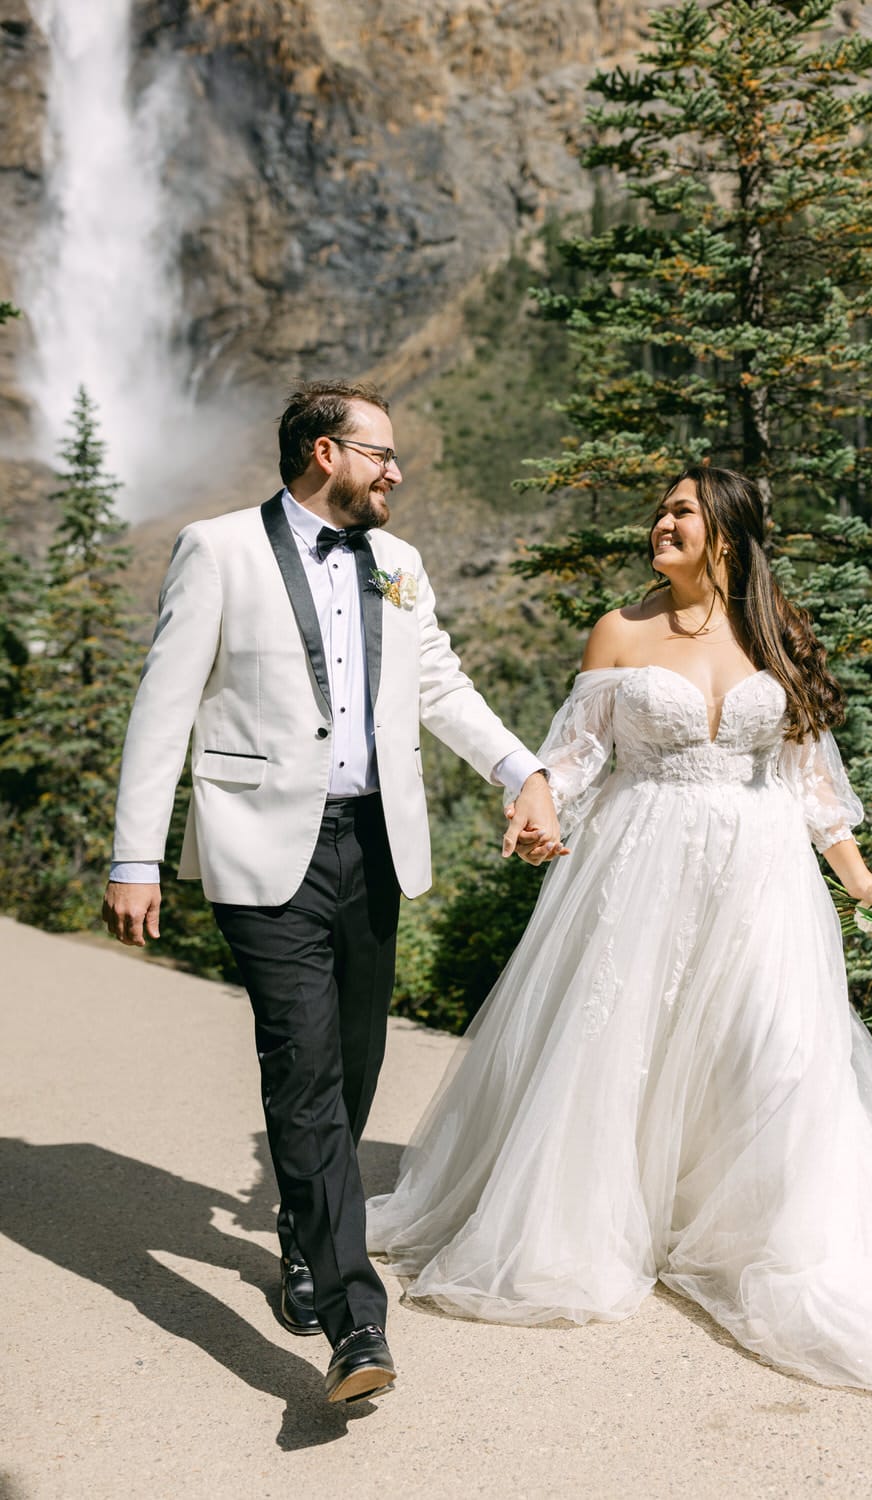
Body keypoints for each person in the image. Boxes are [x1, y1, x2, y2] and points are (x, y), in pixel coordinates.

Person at [367, 465, 872, 1404]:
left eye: (683, 511)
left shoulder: (773, 634)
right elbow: (574, 760)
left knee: (779, 1051)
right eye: (660, 508)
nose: (662, 521)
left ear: (729, 537)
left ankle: (770, 1234)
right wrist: (537, 808)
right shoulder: (620, 631)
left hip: (762, 875)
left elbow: (807, 779)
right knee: (620, 1043)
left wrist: (860, 877)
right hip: (641, 862)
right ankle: (587, 1225)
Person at [102, 380, 564, 1406]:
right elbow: (163, 703)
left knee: (354, 1063)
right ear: (324, 453)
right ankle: (356, 1319)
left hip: (374, 844)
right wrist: (134, 855)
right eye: (380, 453)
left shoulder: (398, 565)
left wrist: (520, 771)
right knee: (303, 1065)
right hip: (263, 850)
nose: (397, 470)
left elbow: (437, 683)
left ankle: (307, 1232)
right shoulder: (216, 550)